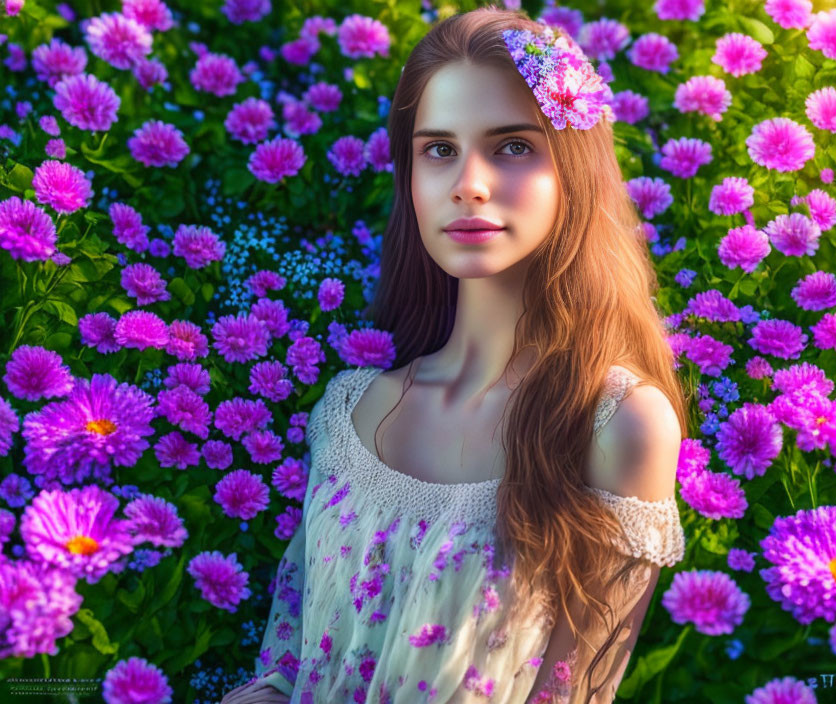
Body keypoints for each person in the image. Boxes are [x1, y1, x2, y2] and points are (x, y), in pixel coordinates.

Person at [221, 5, 689, 703]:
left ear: (575, 170)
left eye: (512, 147)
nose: (468, 182)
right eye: (438, 149)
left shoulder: (617, 424)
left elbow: (574, 692)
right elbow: (292, 660)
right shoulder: (354, 412)